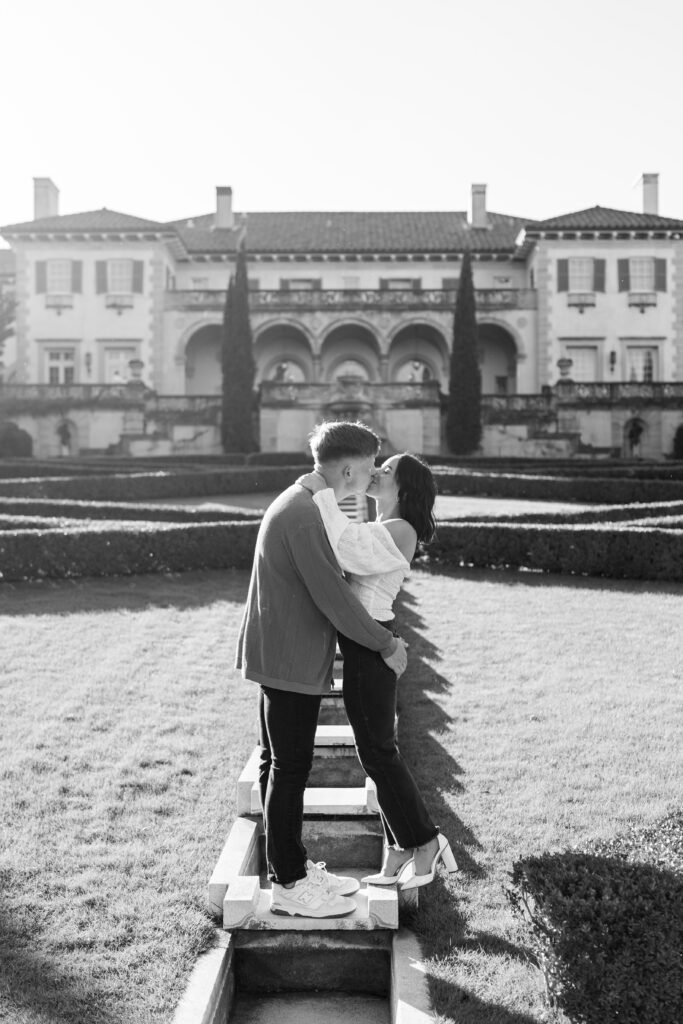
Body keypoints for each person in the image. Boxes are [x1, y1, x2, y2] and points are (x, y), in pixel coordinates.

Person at [235, 421, 408, 918]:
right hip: (290, 658)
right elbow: (334, 598)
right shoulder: (305, 515)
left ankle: (290, 864)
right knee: (289, 769)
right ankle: (289, 884)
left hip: (281, 654)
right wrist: (385, 642)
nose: (372, 477)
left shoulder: (300, 501)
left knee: (278, 765)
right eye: (371, 467)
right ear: (349, 469)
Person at [297, 453, 457, 890]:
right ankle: (401, 847)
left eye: (386, 471)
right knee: (374, 754)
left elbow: (346, 547)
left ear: (403, 489)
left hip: (372, 643)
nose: (376, 473)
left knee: (379, 753)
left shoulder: (400, 529)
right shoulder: (385, 527)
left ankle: (425, 842)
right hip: (365, 641)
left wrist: (322, 491)